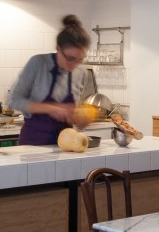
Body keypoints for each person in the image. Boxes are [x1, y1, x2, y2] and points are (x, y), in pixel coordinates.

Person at [11, 15, 96, 145]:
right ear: (58, 49)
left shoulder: (81, 73)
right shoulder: (38, 63)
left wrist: (79, 120)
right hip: (33, 143)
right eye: (70, 58)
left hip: (66, 145)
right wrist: (50, 109)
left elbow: (71, 116)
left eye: (80, 59)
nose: (74, 65)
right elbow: (14, 100)